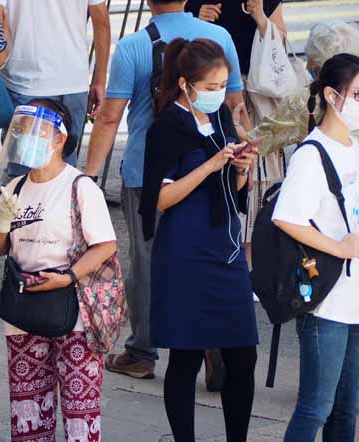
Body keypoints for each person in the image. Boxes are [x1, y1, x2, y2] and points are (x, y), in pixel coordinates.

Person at [85, 0, 246, 381]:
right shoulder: (219, 36)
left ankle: (143, 351)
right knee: (208, 255)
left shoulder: (134, 46)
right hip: (212, 165)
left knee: (148, 263)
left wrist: (88, 177)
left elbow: (109, 118)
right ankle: (212, 343)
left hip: (147, 173)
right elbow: (235, 105)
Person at [140, 38, 259, 441]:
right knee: (186, 355)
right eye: (210, 87)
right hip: (185, 251)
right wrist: (209, 166)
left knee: (242, 355)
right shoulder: (166, 128)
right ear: (185, 84)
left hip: (225, 248)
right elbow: (159, 199)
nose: (219, 94)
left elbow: (232, 191)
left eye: (223, 85)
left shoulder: (222, 117)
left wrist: (240, 168)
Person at [0, 99, 117, 442]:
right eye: (22, 130)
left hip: (74, 312)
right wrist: (0, 223)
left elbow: (105, 245)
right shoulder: (15, 188)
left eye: (35, 131)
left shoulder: (80, 187)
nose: (25, 137)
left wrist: (68, 276)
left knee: (79, 412)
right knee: (27, 410)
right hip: (24, 310)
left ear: (59, 139)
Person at [272, 53, 359, 442]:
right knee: (316, 407)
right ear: (330, 95)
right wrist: (339, 248)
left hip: (353, 297)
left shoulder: (353, 147)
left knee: (346, 409)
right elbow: (286, 217)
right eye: (357, 94)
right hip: (325, 299)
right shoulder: (312, 154)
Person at [0, 0, 111, 176]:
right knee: (64, 167)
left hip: (24, 81)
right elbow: (101, 21)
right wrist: (99, 80)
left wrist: (3, 59)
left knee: (23, 172)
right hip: (73, 80)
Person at [247, 20, 359, 156]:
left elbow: (258, 141)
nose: (308, 66)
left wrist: (236, 127)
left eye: (312, 60)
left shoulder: (305, 102)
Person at [186, 0, 286, 78]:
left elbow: (281, 42)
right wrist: (198, 22)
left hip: (258, 81)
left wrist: (261, 18)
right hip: (212, 80)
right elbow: (183, 42)